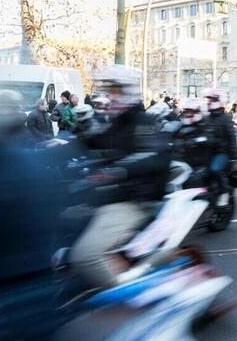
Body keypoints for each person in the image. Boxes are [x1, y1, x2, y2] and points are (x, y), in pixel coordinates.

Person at [70, 65, 169, 289]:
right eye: (109, 90)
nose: (110, 96)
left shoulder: (144, 122)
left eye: (115, 90)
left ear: (129, 90)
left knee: (85, 255)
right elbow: (96, 143)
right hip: (110, 196)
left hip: (134, 201)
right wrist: (59, 146)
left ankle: (130, 298)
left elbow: (153, 156)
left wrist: (120, 170)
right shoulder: (116, 124)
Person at [203, 88, 236, 197]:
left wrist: (233, 157)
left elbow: (232, 137)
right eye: (208, 100)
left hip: (221, 153)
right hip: (207, 153)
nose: (208, 103)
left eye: (211, 100)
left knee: (215, 169)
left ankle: (224, 192)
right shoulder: (206, 118)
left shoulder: (225, 118)